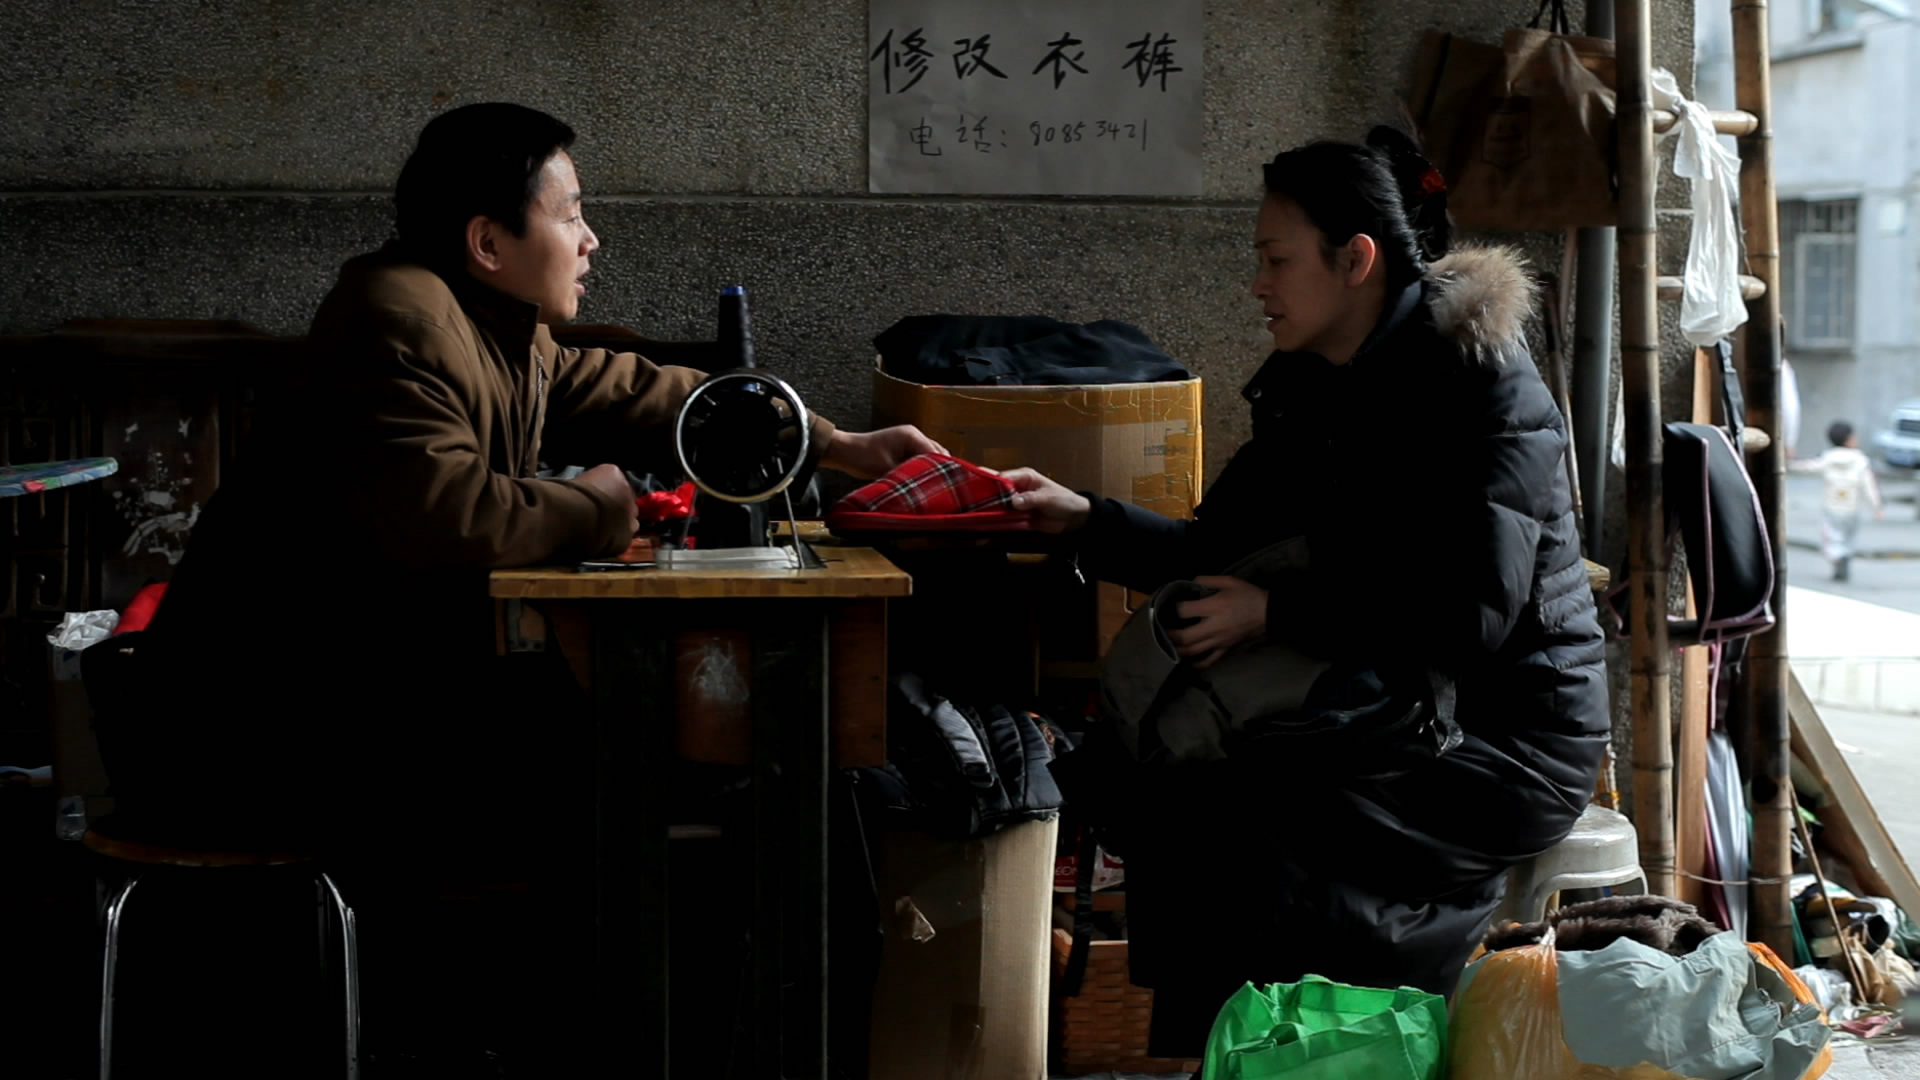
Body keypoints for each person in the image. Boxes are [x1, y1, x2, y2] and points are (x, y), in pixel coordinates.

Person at [118, 102, 940, 1070]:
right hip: (264, 734)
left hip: (361, 701)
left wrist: (829, 441)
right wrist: (601, 506)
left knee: (689, 761)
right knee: (641, 773)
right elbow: (454, 517)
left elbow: (627, 388)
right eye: (572, 214)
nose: (591, 240)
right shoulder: (396, 321)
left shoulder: (492, 325)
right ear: (488, 241)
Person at [1006, 129, 1611, 1057]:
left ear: (1355, 259)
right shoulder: (1312, 384)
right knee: (1167, 783)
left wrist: (1276, 613)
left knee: (1270, 814)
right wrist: (1084, 519)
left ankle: (1321, 1056)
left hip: (1505, 733)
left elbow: (1471, 618)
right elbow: (1219, 550)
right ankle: (1232, 1057)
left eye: (1276, 259)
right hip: (1388, 692)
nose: (1259, 285)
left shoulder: (1481, 386)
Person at [1795, 419, 1883, 581]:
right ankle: (1845, 555)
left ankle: (1837, 557)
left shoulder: (1827, 458)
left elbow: (1809, 467)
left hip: (1832, 506)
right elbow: (1869, 485)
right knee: (1849, 536)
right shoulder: (1860, 460)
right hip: (1852, 508)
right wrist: (1876, 506)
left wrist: (1790, 464)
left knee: (1832, 536)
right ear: (1849, 439)